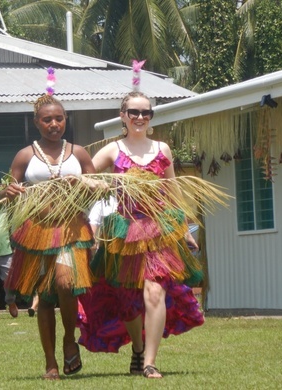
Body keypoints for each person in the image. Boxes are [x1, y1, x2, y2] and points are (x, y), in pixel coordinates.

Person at [78, 91, 204, 379]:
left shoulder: (163, 150)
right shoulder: (113, 150)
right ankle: (137, 348)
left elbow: (173, 192)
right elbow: (86, 174)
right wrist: (94, 183)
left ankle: (150, 361)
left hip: (159, 230)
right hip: (125, 230)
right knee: (127, 300)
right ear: (122, 115)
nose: (140, 118)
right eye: (133, 112)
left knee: (155, 291)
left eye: (146, 113)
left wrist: (184, 230)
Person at [0, 92, 102, 380]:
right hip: (38, 232)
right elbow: (6, 193)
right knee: (45, 296)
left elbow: (98, 186)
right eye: (47, 119)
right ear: (37, 122)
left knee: (65, 283)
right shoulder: (25, 155)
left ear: (65, 120)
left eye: (59, 118)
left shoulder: (79, 153)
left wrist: (87, 187)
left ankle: (70, 339)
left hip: (71, 229)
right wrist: (8, 192)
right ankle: (50, 362)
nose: (54, 124)